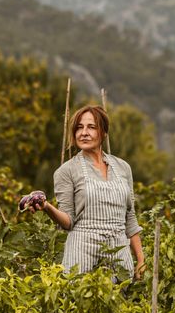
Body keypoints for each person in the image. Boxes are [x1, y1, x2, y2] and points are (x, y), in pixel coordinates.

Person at [27, 105, 145, 279]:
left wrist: (141, 260)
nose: (84, 133)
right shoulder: (66, 171)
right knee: (81, 301)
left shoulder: (122, 168)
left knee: (122, 302)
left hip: (119, 254)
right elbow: (68, 221)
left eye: (91, 127)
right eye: (79, 128)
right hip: (82, 255)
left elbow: (130, 217)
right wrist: (46, 207)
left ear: (103, 132)